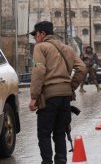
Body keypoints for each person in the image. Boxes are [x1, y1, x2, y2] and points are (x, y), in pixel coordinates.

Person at [28, 21, 86, 164]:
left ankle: (47, 162)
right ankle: (61, 160)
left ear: (42, 34)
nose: (35, 38)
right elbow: (82, 68)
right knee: (60, 132)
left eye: (35, 35)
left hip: (49, 97)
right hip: (65, 97)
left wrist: (34, 97)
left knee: (44, 133)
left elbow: (39, 70)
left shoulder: (40, 47)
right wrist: (71, 86)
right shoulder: (68, 48)